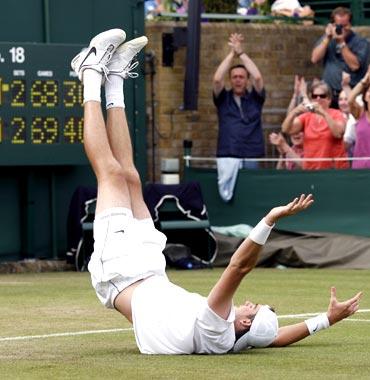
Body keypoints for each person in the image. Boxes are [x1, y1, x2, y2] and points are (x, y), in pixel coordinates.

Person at [72, 29, 362, 355]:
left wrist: (268, 220)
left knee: (110, 175)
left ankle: (89, 71)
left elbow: (238, 267)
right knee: (131, 177)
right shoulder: (239, 338)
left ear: (245, 324)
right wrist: (326, 319)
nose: (251, 303)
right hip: (151, 270)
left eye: (255, 309)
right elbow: (278, 336)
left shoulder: (216, 328)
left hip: (121, 275)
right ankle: (114, 81)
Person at [213, 33, 265, 201]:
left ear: (246, 80)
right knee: (229, 196)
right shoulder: (223, 98)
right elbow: (216, 79)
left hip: (251, 152)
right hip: (228, 152)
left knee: (252, 192)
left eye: (241, 77)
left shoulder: (255, 98)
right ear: (230, 80)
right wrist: (232, 54)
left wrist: (241, 53)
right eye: (234, 77)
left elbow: (258, 77)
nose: (238, 80)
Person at [281, 80, 349, 170]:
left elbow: (338, 133)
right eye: (314, 96)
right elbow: (286, 129)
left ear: (329, 99)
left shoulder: (337, 114)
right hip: (311, 169)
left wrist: (323, 113)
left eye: (322, 96)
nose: (318, 99)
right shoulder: (307, 117)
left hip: (334, 170)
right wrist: (295, 111)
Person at [311, 7, 370, 109]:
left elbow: (355, 66)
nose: (341, 29)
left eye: (345, 25)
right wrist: (327, 38)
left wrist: (341, 43)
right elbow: (314, 59)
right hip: (329, 94)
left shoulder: (360, 42)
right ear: (332, 25)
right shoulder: (327, 39)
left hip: (350, 95)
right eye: (338, 25)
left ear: (350, 24)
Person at [346, 65, 370, 169]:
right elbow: (350, 99)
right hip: (360, 169)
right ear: (365, 96)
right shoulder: (360, 113)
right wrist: (365, 79)